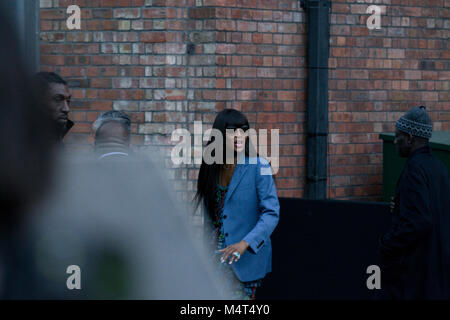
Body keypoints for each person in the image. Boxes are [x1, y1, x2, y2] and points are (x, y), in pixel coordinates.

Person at [195, 109, 280, 300]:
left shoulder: (261, 166)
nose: (239, 135)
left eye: (243, 130)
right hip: (213, 256)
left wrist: (245, 244)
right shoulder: (212, 168)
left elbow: (271, 213)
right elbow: (210, 217)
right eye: (232, 130)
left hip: (245, 257)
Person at [379, 106, 450, 299]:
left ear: (410, 138)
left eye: (398, 136)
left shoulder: (414, 170)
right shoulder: (439, 168)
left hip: (418, 277)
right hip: (440, 275)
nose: (395, 141)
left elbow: (419, 220)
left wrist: (387, 243)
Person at [31, 72, 74, 141]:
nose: (67, 109)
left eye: (68, 101)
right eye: (58, 99)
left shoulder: (55, 138)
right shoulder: (18, 141)